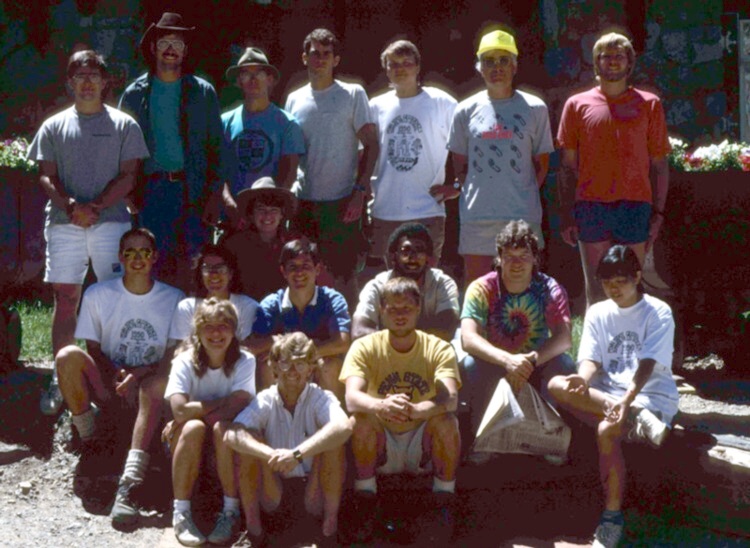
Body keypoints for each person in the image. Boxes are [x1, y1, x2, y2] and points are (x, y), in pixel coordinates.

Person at [27, 49, 149, 413]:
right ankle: (60, 377)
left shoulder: (124, 124)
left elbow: (129, 175)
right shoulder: (53, 126)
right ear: (69, 83)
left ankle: (119, 373)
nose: (87, 82)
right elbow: (46, 174)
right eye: (79, 75)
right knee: (66, 299)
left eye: (94, 75)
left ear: (105, 81)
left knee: (116, 296)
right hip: (65, 224)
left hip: (110, 222)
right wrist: (70, 206)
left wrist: (94, 206)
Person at [547, 245, 678, 548]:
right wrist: (583, 377)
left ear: (636, 276)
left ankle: (611, 518)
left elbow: (648, 362)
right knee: (557, 384)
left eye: (620, 281)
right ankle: (636, 420)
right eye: (607, 282)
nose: (613, 288)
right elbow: (591, 357)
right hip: (610, 395)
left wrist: (628, 400)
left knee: (607, 430)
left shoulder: (658, 311)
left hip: (649, 396)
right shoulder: (597, 311)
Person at [52, 228, 184, 528]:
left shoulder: (173, 297)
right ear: (120, 258)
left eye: (144, 252)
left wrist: (138, 374)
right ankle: (90, 440)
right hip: (111, 381)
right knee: (66, 357)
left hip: (151, 385)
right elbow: (93, 348)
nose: (138, 259)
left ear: (155, 257)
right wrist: (118, 375)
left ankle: (138, 471)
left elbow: (171, 354)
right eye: (130, 252)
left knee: (156, 384)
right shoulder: (99, 294)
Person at [341, 277, 462, 543]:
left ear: (418, 309)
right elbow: (351, 398)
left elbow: (450, 398)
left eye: (406, 308)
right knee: (358, 419)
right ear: (381, 310)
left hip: (421, 436)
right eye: (392, 309)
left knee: (447, 421)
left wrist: (418, 410)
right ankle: (365, 495)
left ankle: (444, 497)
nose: (399, 315)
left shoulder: (438, 347)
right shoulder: (364, 346)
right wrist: (380, 405)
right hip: (382, 436)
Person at [557, 32, 671, 308]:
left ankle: (635, 348)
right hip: (591, 206)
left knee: (632, 287)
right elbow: (568, 166)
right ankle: (596, 351)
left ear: (629, 62)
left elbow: (659, 165)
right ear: (596, 63)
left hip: (635, 207)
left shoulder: (649, 104)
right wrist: (566, 215)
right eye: (605, 56)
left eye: (619, 55)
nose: (612, 61)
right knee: (597, 289)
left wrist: (657, 213)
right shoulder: (576, 104)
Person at [118, 12, 230, 290]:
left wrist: (215, 196)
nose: (171, 49)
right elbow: (122, 148)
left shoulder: (202, 93)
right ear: (154, 47)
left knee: (195, 265)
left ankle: (193, 328)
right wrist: (128, 193)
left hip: (194, 191)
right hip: (152, 193)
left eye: (177, 43)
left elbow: (217, 148)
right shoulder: (135, 94)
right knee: (154, 265)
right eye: (165, 42)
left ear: (185, 50)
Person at [447, 29, 554, 286]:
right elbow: (460, 165)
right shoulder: (464, 110)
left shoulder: (535, 108)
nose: (497, 67)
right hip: (477, 217)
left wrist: (517, 191)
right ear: (479, 68)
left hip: (522, 216)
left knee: (523, 291)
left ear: (515, 66)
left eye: (504, 60)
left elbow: (542, 166)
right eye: (489, 61)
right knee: (478, 292)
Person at [224, 332, 353, 544]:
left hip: (314, 489)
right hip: (273, 488)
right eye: (285, 364)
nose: (293, 371)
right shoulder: (266, 398)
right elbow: (232, 434)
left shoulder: (320, 396)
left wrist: (297, 454)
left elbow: (344, 426)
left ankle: (329, 529)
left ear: (311, 369)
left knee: (333, 439)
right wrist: (268, 453)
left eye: (300, 364)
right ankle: (253, 531)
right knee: (249, 438)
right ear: (274, 367)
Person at [285, 28, 379, 304]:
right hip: (304, 203)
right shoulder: (294, 98)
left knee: (344, 276)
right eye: (315, 53)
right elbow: (291, 154)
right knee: (303, 273)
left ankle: (349, 340)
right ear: (304, 57)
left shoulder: (352, 94)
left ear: (336, 60)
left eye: (327, 54)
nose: (321, 59)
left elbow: (371, 145)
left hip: (342, 203)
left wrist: (360, 192)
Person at [460, 220, 573, 434]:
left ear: (535, 259)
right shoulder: (481, 288)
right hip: (494, 362)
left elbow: (564, 338)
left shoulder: (549, 288)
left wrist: (529, 361)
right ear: (499, 259)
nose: (517, 264)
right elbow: (468, 338)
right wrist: (507, 360)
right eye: (510, 257)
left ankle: (549, 433)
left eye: (524, 256)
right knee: (469, 365)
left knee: (565, 364)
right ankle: (483, 435)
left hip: (536, 361)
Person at [164, 298, 256, 546]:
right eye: (208, 326)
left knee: (220, 427)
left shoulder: (245, 360)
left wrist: (192, 413)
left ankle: (230, 510)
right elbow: (179, 410)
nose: (216, 333)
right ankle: (181, 512)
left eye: (224, 325)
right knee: (193, 428)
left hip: (223, 443)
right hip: (188, 442)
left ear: (234, 330)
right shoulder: (183, 361)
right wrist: (222, 401)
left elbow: (237, 406)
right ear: (197, 331)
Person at [368, 39, 457, 265]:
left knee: (427, 283)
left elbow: (469, 145)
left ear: (418, 67)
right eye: (393, 64)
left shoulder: (441, 102)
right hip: (385, 210)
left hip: (428, 210)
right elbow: (362, 154)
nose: (400, 69)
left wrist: (458, 186)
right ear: (385, 69)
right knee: (391, 288)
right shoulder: (374, 107)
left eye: (406, 63)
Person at [250, 238, 350, 399]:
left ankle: (336, 419)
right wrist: (275, 342)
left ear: (317, 269)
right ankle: (268, 418)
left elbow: (342, 342)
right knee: (266, 366)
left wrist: (301, 356)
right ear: (283, 271)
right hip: (284, 368)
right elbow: (253, 346)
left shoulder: (332, 299)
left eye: (306, 266)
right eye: (292, 267)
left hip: (316, 365)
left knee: (329, 366)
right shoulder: (271, 303)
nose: (299, 273)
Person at [221, 48, 305, 228]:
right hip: (235, 217)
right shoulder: (225, 122)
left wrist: (272, 211)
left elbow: (289, 172)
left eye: (258, 73)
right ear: (239, 81)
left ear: (270, 79)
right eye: (245, 74)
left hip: (271, 220)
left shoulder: (287, 123)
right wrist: (229, 203)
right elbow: (218, 170)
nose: (253, 79)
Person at [352, 222, 459, 342]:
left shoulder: (442, 283)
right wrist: (401, 348)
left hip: (428, 354)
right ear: (393, 256)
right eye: (405, 251)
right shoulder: (377, 286)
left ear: (428, 257)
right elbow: (359, 332)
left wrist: (407, 347)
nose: (412, 257)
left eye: (419, 250)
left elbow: (447, 329)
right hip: (387, 354)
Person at [221, 177, 298, 301]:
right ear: (251, 214)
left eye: (273, 210)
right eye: (261, 210)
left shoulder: (292, 245)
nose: (267, 216)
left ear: (282, 215)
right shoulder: (234, 245)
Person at [169, 244, 259, 346]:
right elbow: (181, 350)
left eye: (221, 269)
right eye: (207, 269)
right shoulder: (187, 307)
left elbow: (245, 349)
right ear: (200, 274)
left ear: (231, 273)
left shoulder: (248, 306)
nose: (214, 274)